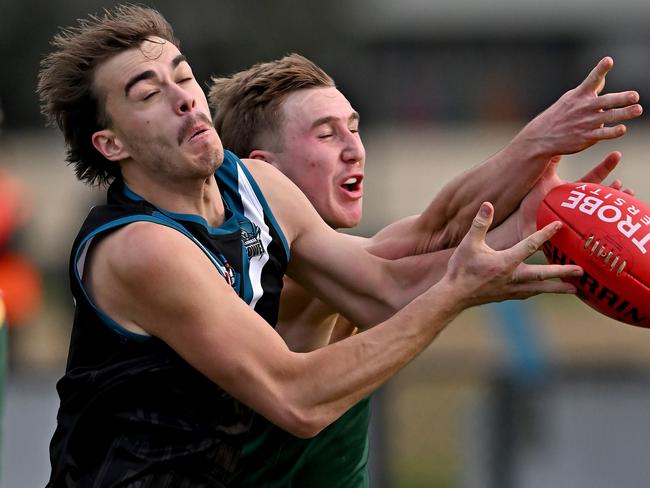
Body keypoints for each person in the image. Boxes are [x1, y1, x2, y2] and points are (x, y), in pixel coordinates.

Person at [38, 5, 588, 486]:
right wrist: (457, 289)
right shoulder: (143, 249)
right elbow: (298, 398)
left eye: (182, 77)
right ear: (110, 143)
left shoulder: (255, 189)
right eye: (150, 94)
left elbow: (385, 289)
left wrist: (549, 228)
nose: (182, 99)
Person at [207, 54, 641, 485]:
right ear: (264, 170)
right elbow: (402, 284)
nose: (354, 149)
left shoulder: (348, 257)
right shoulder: (275, 285)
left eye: (354, 129)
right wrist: (535, 153)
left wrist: (538, 200)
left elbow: (442, 228)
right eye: (326, 134)